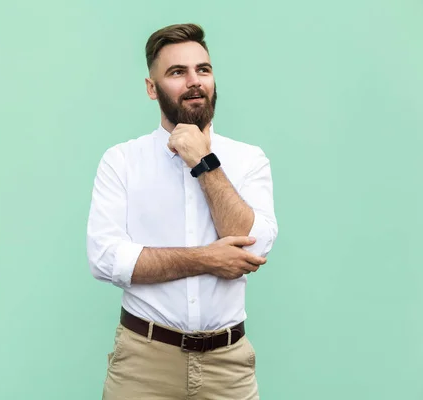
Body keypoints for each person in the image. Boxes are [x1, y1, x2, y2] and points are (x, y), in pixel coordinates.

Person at [86, 23, 278, 400]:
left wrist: (203, 160)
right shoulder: (122, 161)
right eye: (177, 72)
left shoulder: (248, 159)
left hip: (229, 367)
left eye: (202, 70)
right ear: (151, 88)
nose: (194, 81)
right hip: (143, 364)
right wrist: (208, 258)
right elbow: (107, 259)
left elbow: (254, 249)